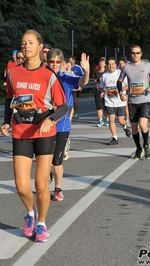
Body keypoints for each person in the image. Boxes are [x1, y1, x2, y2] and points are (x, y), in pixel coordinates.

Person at [1, 30, 67, 242]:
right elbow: (9, 99)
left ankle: (41, 224)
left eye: (30, 43)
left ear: (40, 47)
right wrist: (5, 121)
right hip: (21, 132)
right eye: (23, 43)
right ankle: (30, 214)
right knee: (21, 186)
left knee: (40, 185)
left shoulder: (49, 75)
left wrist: (50, 119)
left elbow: (63, 106)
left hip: (44, 133)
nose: (26, 46)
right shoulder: (13, 72)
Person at [47, 49, 89, 201]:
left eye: (58, 62)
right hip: (46, 122)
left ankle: (58, 189)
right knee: (46, 156)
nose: (55, 64)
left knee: (57, 158)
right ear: (47, 62)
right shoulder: (42, 77)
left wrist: (87, 70)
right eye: (52, 61)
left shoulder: (66, 78)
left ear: (63, 63)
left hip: (62, 123)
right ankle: (48, 175)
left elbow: (83, 82)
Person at [117, 44, 150, 160]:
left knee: (143, 124)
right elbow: (119, 81)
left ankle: (146, 144)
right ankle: (138, 148)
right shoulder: (126, 67)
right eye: (133, 53)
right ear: (130, 54)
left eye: (137, 53)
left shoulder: (147, 65)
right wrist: (121, 92)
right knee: (135, 128)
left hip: (145, 100)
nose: (135, 55)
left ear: (141, 54)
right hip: (132, 101)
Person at [100, 57, 131, 145]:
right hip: (109, 101)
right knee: (111, 119)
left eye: (112, 64)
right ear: (107, 66)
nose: (111, 66)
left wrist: (119, 90)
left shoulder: (120, 74)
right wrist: (102, 92)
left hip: (120, 101)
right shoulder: (104, 75)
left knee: (120, 120)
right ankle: (115, 138)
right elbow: (102, 87)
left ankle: (125, 126)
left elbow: (128, 86)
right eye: (109, 64)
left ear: (116, 65)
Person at [93, 57, 108, 127]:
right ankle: (100, 120)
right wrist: (97, 80)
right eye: (101, 62)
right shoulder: (96, 72)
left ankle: (107, 119)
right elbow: (94, 80)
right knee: (98, 105)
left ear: (105, 64)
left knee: (106, 105)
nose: (102, 63)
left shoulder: (107, 72)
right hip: (98, 89)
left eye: (103, 62)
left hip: (106, 90)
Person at [68, 55, 84, 119]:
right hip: (69, 87)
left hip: (76, 87)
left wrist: (81, 86)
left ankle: (76, 113)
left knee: (75, 101)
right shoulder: (67, 66)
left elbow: (82, 76)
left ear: (74, 61)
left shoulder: (78, 68)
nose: (70, 61)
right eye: (69, 60)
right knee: (68, 101)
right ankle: (69, 113)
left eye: (71, 60)